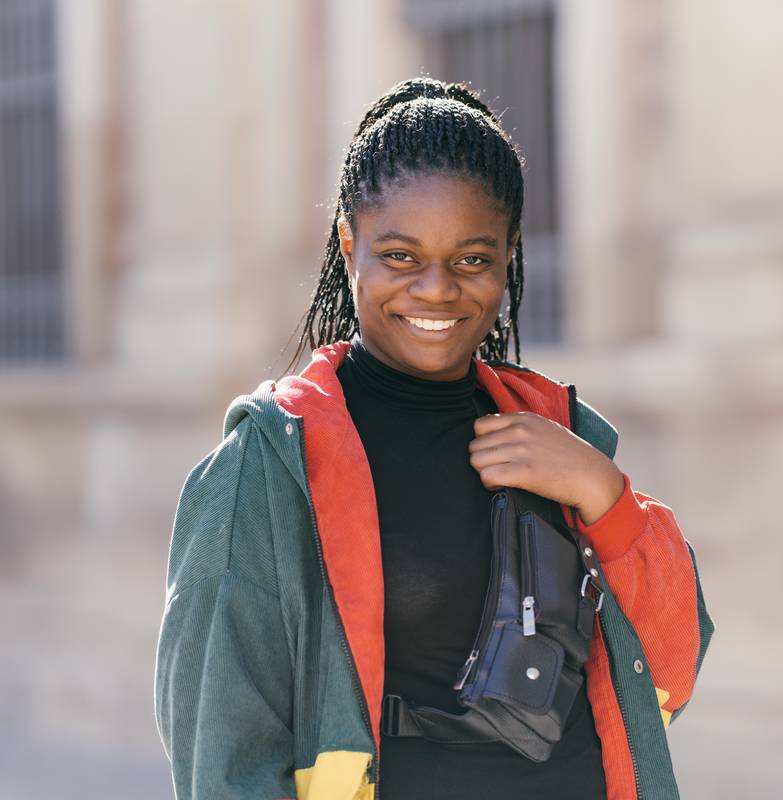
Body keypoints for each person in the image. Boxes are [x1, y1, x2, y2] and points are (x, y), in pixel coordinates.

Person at [153, 76, 713, 800]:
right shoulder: (268, 465)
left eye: (472, 260)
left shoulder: (553, 432)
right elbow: (223, 762)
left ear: (509, 253)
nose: (437, 291)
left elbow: (669, 667)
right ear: (350, 244)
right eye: (402, 257)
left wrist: (605, 498)